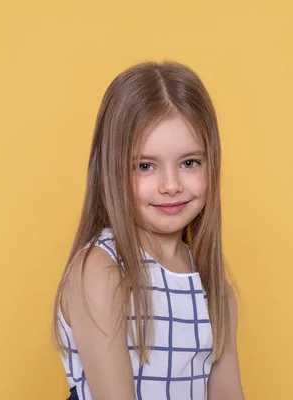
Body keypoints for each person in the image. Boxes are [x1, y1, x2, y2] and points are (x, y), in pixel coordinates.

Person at [52, 61, 244, 400]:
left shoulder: (213, 284)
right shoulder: (101, 272)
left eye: (189, 163)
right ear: (111, 170)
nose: (171, 185)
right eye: (145, 166)